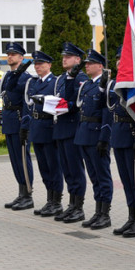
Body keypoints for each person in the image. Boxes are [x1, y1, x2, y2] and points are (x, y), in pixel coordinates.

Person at [0, 42, 34, 210]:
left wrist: (26, 125)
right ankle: (21, 193)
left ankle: (28, 194)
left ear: (21, 57)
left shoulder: (26, 77)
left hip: (20, 119)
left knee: (23, 158)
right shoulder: (8, 76)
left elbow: (28, 103)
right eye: (8, 54)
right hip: (9, 120)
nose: (9, 56)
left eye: (13, 54)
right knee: (15, 160)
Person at [107, 45, 135, 237]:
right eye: (117, 60)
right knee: (125, 180)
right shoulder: (115, 83)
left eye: (122, 60)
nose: (118, 63)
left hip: (132, 136)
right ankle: (131, 217)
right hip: (119, 136)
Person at [74, 49, 113, 230]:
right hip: (85, 134)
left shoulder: (107, 85)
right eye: (86, 63)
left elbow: (107, 112)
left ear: (100, 66)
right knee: (94, 177)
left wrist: (104, 138)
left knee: (102, 176)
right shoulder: (88, 85)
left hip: (97, 135)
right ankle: (98, 212)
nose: (86, 65)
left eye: (90, 63)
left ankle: (105, 214)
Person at [24, 50, 64, 217]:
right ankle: (49, 199)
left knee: (53, 166)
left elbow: (59, 104)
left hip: (49, 127)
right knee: (43, 167)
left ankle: (57, 201)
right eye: (36, 64)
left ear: (49, 65)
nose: (38, 66)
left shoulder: (54, 82)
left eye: (41, 64)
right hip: (37, 127)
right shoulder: (34, 83)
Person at [53, 43, 89, 223]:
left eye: (68, 57)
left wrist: (63, 106)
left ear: (77, 60)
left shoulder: (80, 78)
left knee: (75, 170)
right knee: (67, 170)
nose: (64, 59)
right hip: (61, 127)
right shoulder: (62, 78)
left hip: (73, 128)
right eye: (63, 56)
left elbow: (76, 102)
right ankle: (71, 204)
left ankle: (79, 207)